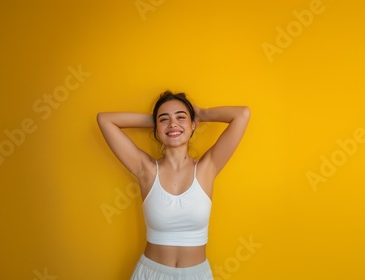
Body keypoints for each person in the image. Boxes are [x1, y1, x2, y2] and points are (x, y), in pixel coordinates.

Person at [97, 90, 250, 279]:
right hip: (150, 273)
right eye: (164, 119)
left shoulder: (207, 168)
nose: (173, 124)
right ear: (155, 127)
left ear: (193, 124)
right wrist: (158, 121)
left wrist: (200, 114)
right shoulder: (146, 170)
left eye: (181, 117)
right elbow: (105, 120)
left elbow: (242, 114)